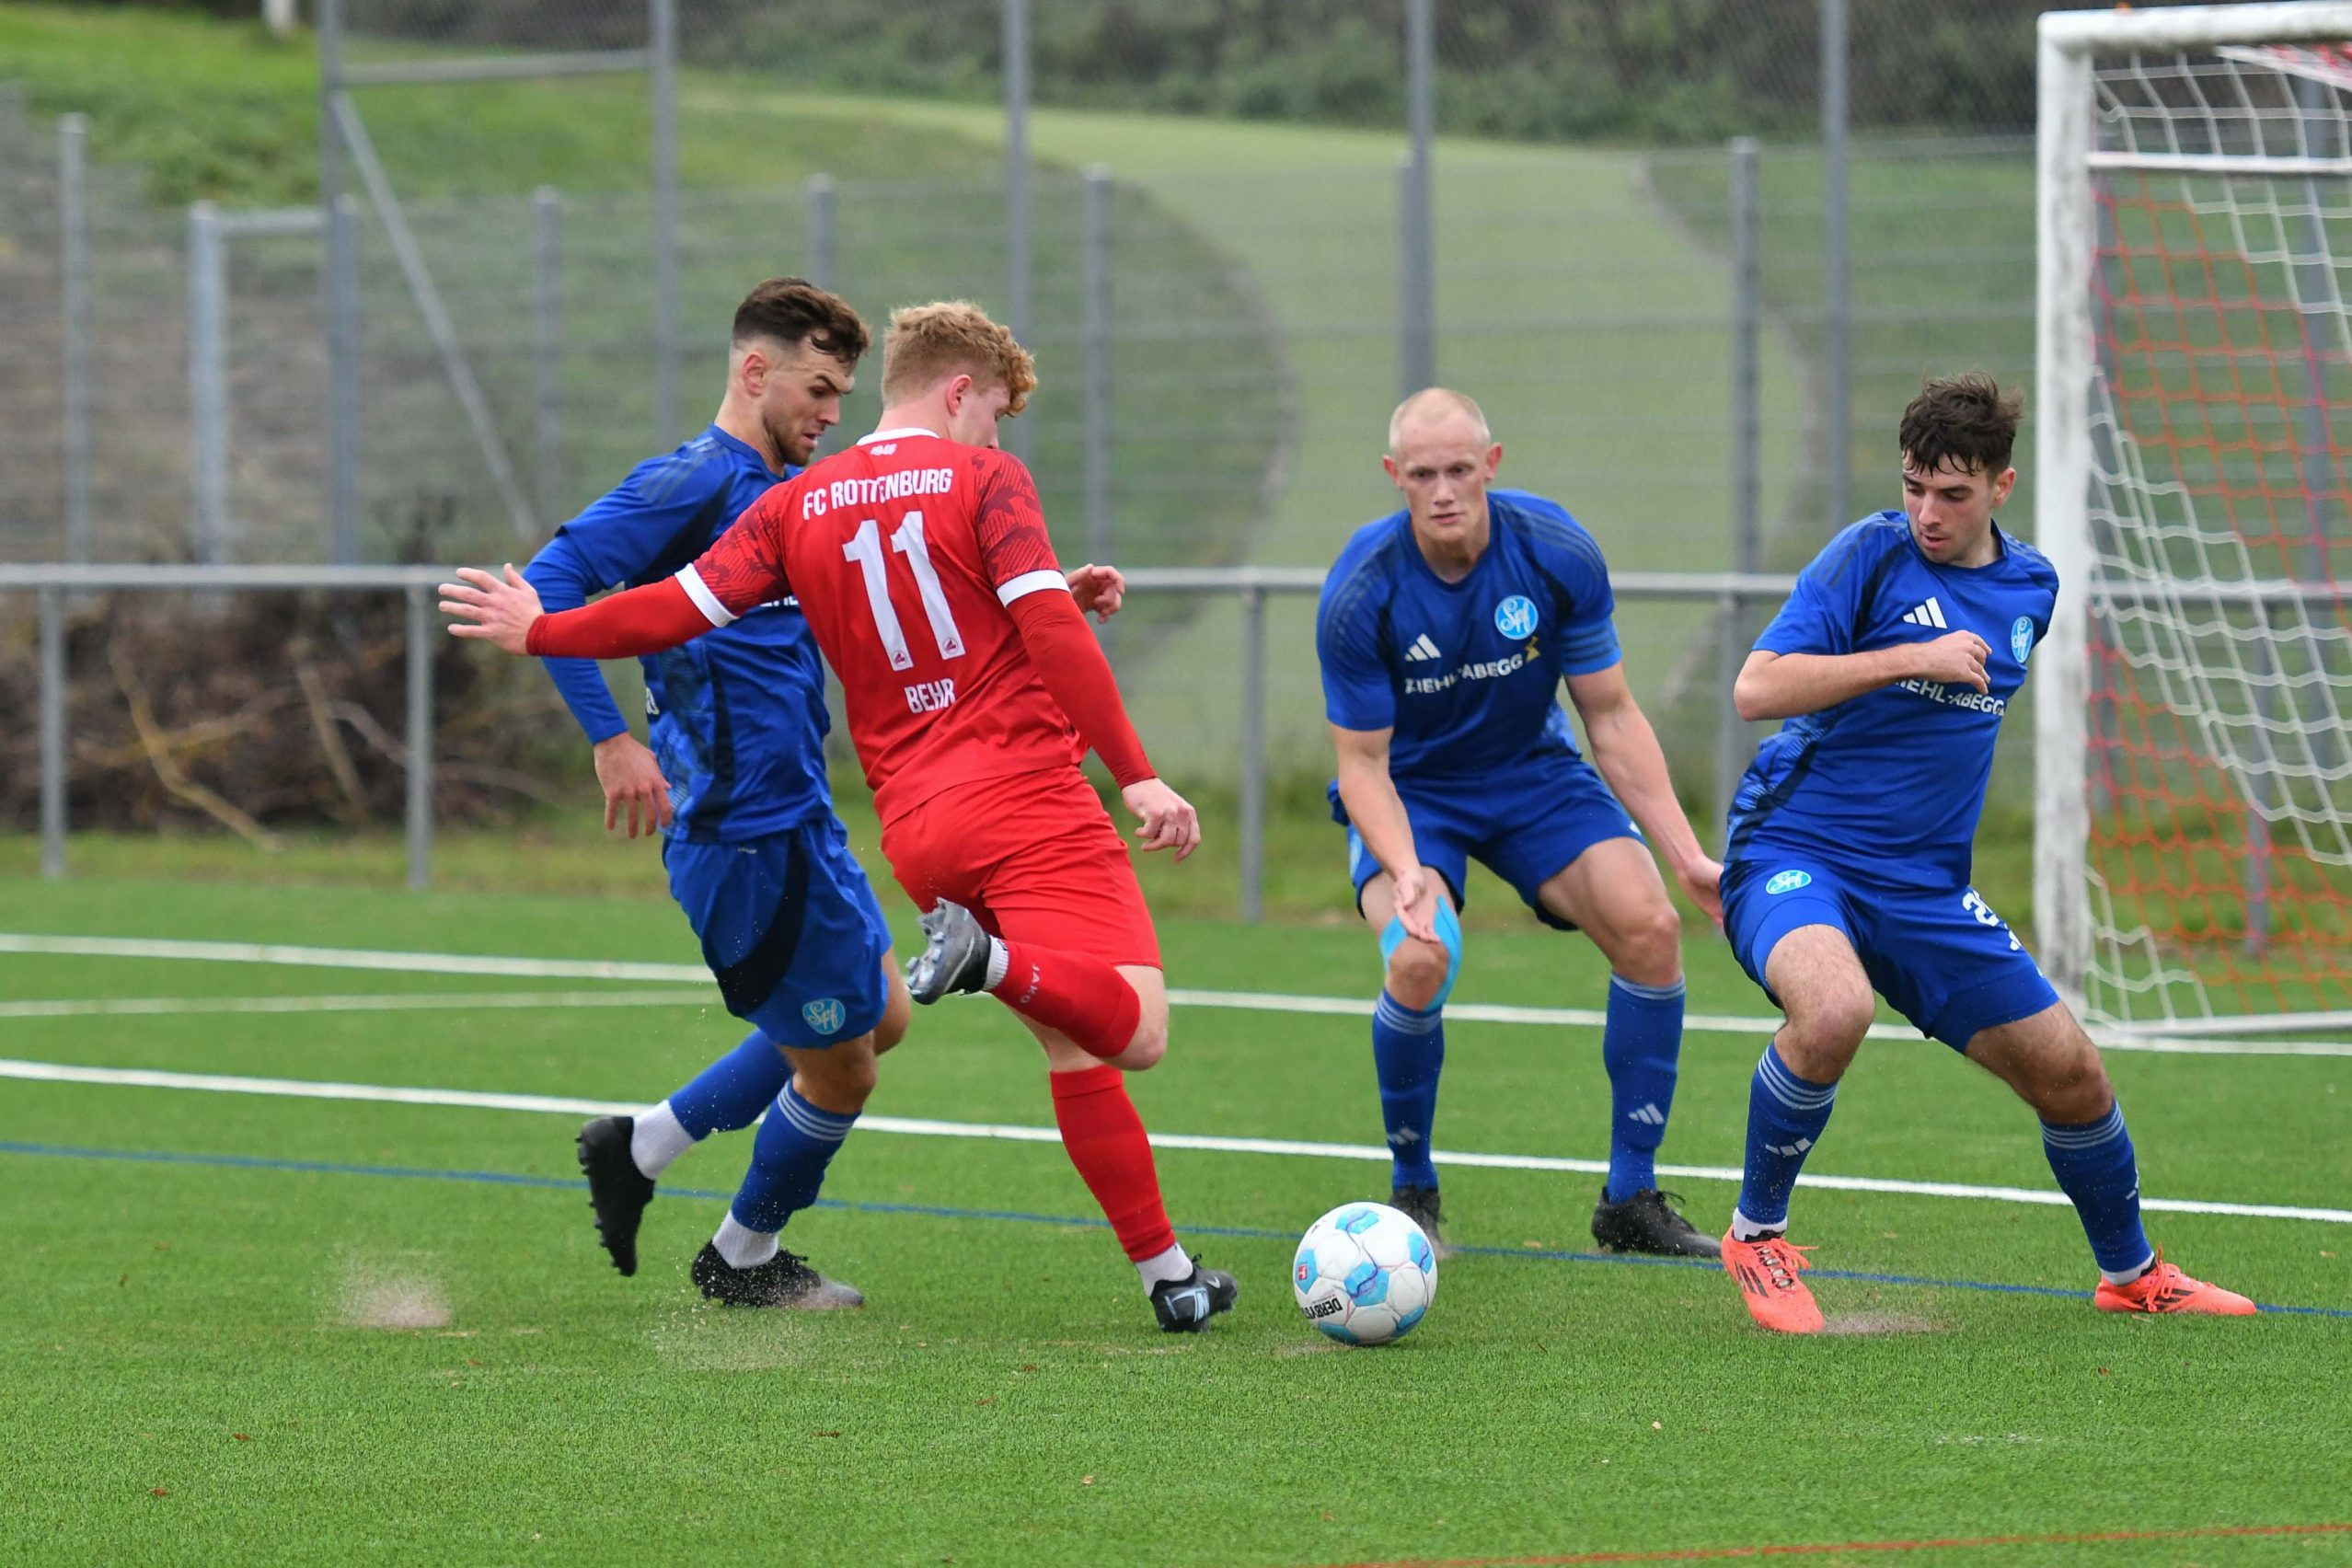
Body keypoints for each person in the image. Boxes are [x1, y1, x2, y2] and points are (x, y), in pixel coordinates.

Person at [441, 300, 1239, 1333]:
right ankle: (751, 1226)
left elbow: (696, 606)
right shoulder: (934, 480)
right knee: (1084, 1035)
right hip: (876, 817)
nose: (997, 438)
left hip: (885, 827)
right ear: (959, 391)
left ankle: (651, 1152)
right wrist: (1136, 774)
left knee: (928, 1025)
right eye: (995, 415)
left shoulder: (796, 503)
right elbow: (1036, 624)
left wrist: (547, 631)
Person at [1714, 372, 2254, 1332]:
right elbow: (1757, 688)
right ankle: (1757, 1237)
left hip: (1924, 889)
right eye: (1914, 486)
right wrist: (1907, 657)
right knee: (1834, 1010)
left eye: (1953, 494)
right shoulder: (1868, 556)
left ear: (2001, 487)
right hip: (1798, 851)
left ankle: (2132, 1274)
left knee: (2073, 1075)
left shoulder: (2030, 587)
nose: (1927, 512)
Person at [1316, 387, 1723, 1259]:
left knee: (1651, 926)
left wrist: (1687, 854)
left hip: (1533, 775)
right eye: (1421, 474)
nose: (1443, 491)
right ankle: (1413, 1190)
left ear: (1491, 465)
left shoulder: (1554, 550)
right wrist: (1408, 873)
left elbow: (1610, 714)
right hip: (1413, 793)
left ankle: (1631, 1198)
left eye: (1459, 469)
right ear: (1394, 476)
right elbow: (1363, 766)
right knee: (1421, 954)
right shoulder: (1361, 588)